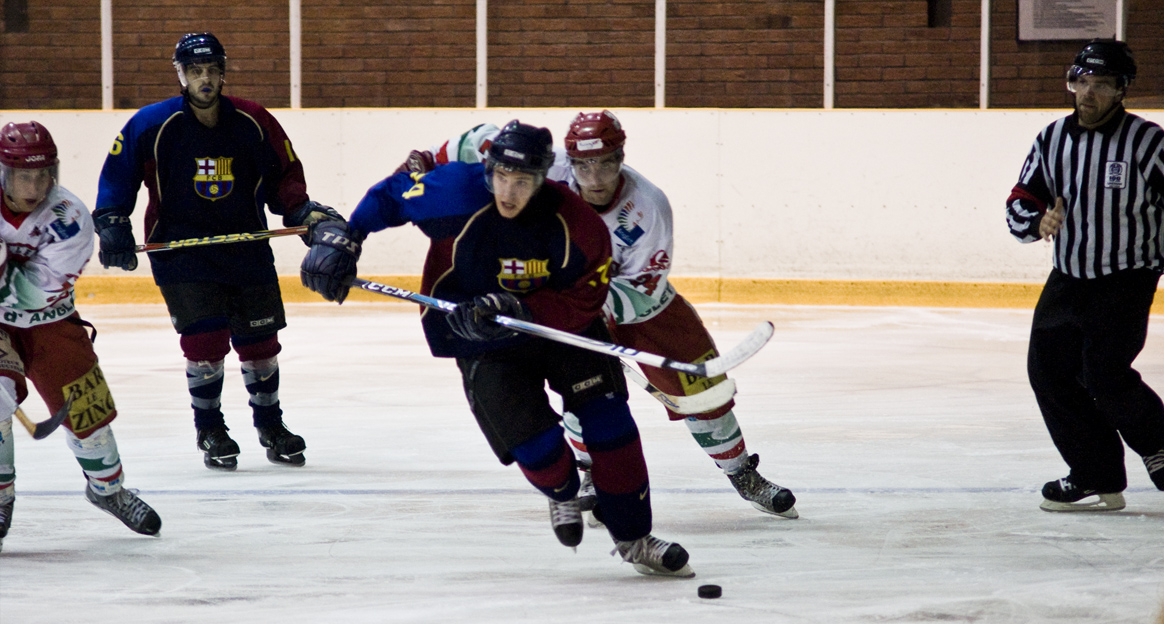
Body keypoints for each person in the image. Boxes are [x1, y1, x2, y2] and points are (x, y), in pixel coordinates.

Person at [301, 120, 695, 577]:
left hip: (561, 330)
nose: (509, 191)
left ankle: (634, 539)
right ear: (487, 168)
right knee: (538, 450)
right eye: (501, 176)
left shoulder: (577, 224)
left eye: (523, 180)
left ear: (545, 176)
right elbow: (391, 195)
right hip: (482, 336)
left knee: (611, 428)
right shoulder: (455, 190)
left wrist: (524, 308)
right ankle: (564, 492)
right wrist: (349, 238)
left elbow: (585, 297)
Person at [397, 111, 798, 520]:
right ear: (568, 160)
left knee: (704, 391)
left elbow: (644, 287)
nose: (595, 176)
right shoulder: (544, 168)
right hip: (562, 302)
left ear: (621, 156)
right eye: (584, 164)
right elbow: (476, 142)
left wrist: (586, 312)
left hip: (640, 311)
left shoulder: (647, 207)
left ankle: (741, 472)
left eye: (606, 162)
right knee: (583, 390)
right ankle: (590, 473)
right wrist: (425, 161)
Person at [94, 33, 342, 471]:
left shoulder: (253, 120)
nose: (204, 79)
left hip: (245, 245)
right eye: (194, 71)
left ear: (223, 72)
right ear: (181, 75)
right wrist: (113, 222)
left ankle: (271, 424)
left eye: (211, 70)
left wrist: (302, 211)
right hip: (180, 249)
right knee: (205, 341)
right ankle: (210, 428)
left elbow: (284, 175)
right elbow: (118, 174)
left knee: (260, 343)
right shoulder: (152, 124)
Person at [1006, 39, 1164, 512]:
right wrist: (1036, 223)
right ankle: (1095, 474)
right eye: (1081, 83)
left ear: (1121, 91)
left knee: (1105, 374)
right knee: (1049, 372)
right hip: (1069, 276)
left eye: (1101, 85)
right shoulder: (1052, 138)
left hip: (1127, 276)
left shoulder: (1148, 142)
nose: (1088, 94)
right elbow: (1022, 198)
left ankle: (1159, 448)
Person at [0, 121, 162, 551]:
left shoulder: (69, 217)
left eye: (42, 174)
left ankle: (108, 490)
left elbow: (35, 292)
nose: (34, 185)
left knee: (88, 415)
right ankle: (0, 504)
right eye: (22, 175)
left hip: (48, 321)